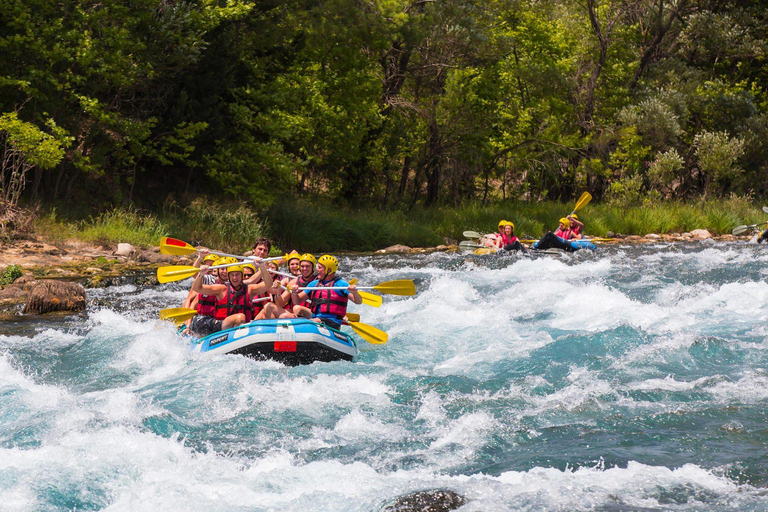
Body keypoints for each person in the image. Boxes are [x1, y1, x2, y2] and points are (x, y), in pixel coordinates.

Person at [188, 258, 274, 336]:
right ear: (229, 276)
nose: (235, 277)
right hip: (220, 327)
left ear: (242, 276)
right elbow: (197, 288)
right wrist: (201, 274)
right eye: (232, 275)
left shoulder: (250, 289)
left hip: (240, 327)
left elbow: (268, 284)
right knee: (239, 317)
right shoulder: (221, 289)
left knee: (242, 318)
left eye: (237, 274)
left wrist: (262, 267)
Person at [288, 254, 362, 329]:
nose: (317, 269)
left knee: (312, 322)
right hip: (315, 317)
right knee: (297, 309)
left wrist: (355, 293)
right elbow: (297, 301)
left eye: (320, 267)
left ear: (328, 270)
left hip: (333, 321)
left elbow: (358, 301)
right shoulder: (314, 284)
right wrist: (294, 293)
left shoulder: (341, 284)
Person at [281, 253, 317, 318]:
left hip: (314, 314)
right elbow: (294, 301)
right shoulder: (294, 282)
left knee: (297, 308)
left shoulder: (318, 281)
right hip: (298, 313)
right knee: (283, 315)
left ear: (313, 267)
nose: (304, 269)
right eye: (302, 266)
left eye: (307, 266)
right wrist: (277, 292)